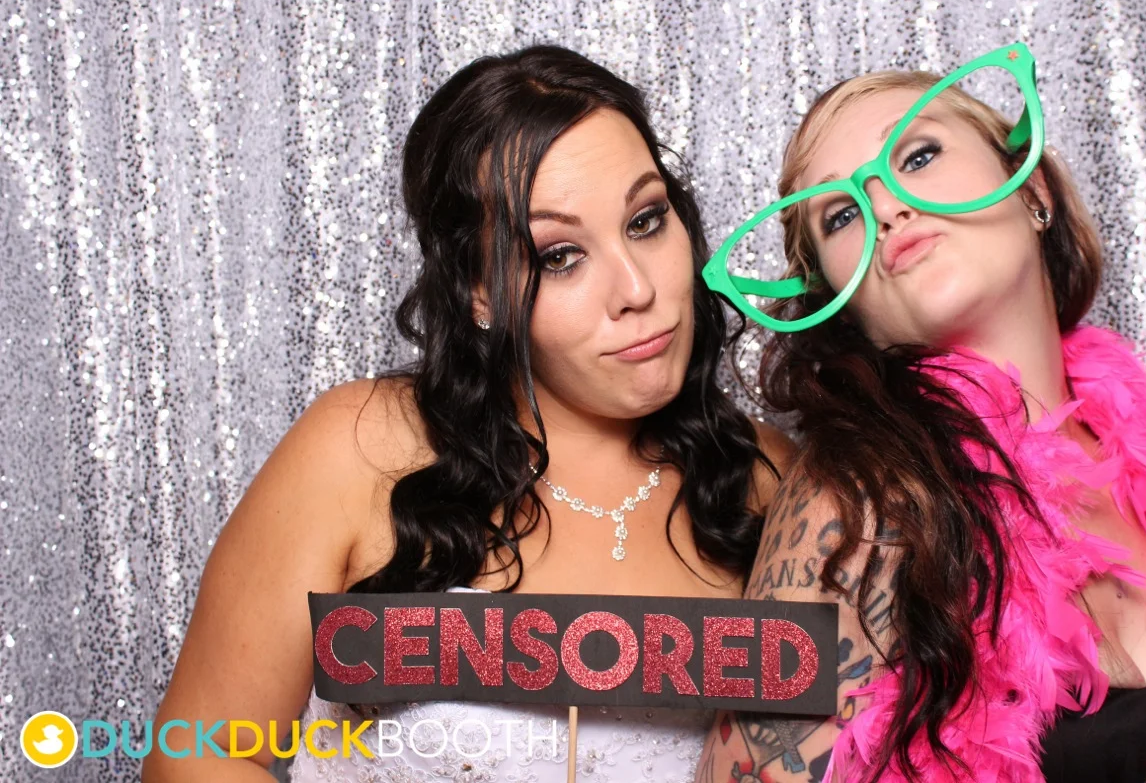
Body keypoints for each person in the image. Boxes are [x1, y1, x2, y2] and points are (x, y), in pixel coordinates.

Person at [143, 44, 792, 783]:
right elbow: (196, 755)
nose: (637, 289)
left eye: (645, 220)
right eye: (559, 256)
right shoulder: (360, 449)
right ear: (479, 291)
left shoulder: (773, 482)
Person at [695, 44, 1146, 782]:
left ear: (1032, 190)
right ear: (844, 309)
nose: (887, 208)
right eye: (841, 214)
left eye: (918, 156)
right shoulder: (856, 502)